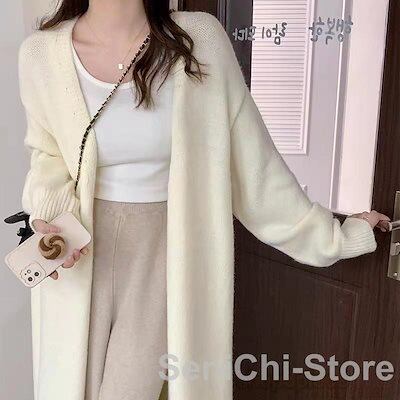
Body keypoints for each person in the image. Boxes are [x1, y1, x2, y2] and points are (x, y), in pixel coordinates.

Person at [18, 1, 390, 400]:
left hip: (166, 251)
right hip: (78, 248)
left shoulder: (199, 40)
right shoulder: (41, 53)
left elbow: (255, 166)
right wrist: (51, 216)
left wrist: (337, 237)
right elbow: (47, 154)